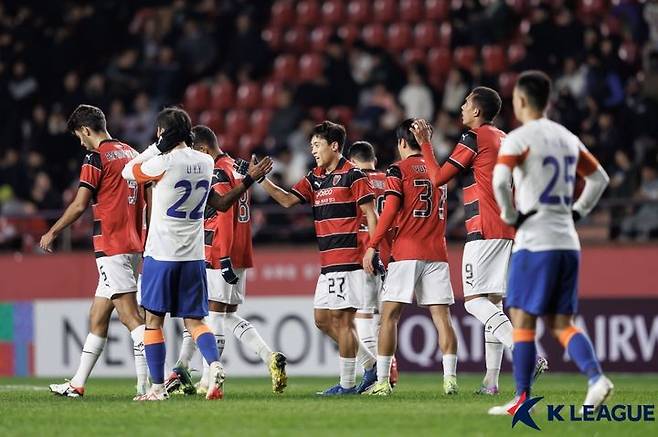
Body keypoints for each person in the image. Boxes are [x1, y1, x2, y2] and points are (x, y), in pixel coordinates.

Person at [121, 108, 272, 401]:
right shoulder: (204, 161)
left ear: (162, 134)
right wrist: (248, 181)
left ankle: (156, 389)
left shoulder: (161, 163)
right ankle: (214, 366)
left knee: (153, 321)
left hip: (161, 254)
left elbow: (129, 171)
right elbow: (220, 203)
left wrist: (156, 147)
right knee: (195, 321)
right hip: (192, 257)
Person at [489, 71, 612, 415]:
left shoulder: (518, 138)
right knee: (561, 322)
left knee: (522, 318)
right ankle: (595, 378)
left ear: (522, 101)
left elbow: (500, 182)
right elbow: (599, 178)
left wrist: (510, 216)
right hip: (567, 241)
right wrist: (578, 212)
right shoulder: (566, 137)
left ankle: (522, 399)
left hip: (534, 241)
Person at [412, 88, 548, 395]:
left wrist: (424, 145)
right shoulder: (505, 137)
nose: (460, 107)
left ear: (477, 111)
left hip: (485, 227)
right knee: (493, 302)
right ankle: (491, 382)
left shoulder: (474, 137)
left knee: (474, 302)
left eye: (465, 103)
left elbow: (437, 178)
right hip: (506, 226)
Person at [165, 125, 287, 395]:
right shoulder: (237, 165)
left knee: (213, 315)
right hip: (238, 249)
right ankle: (269, 357)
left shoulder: (217, 170)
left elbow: (224, 213)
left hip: (221, 250)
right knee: (225, 313)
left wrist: (224, 256)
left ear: (203, 150)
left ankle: (211, 380)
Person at [259, 121, 380, 395]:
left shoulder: (354, 175)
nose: (313, 150)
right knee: (322, 319)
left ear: (334, 146)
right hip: (327, 263)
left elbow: (372, 216)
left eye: (317, 145)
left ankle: (348, 385)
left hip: (348, 259)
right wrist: (260, 180)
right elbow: (288, 200)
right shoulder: (315, 177)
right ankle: (369, 364)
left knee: (342, 321)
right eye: (311, 145)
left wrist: (373, 249)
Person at [42, 104, 149, 398]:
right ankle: (77, 383)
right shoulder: (131, 152)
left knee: (130, 317)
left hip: (112, 244)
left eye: (79, 135)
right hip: (132, 242)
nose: (80, 141)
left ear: (86, 130)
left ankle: (148, 385)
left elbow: (79, 204)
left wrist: (52, 231)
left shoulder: (95, 156)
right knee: (98, 315)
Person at [363, 119, 458, 396]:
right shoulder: (436, 170)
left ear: (402, 143)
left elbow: (390, 211)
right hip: (437, 252)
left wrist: (373, 245)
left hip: (406, 252)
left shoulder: (397, 169)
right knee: (442, 318)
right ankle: (450, 380)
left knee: (389, 318)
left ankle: (382, 382)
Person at [346, 140, 398, 387]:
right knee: (382, 317)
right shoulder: (389, 179)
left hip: (363, 253)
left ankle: (376, 375)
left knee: (364, 315)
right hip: (389, 255)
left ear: (353, 161)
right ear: (373, 159)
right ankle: (389, 370)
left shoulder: (353, 179)